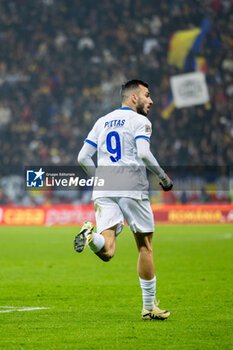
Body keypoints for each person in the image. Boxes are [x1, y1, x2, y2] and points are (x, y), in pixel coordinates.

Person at [74, 79, 173, 320]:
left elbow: (83, 158)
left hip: (105, 188)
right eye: (147, 95)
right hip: (132, 187)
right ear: (133, 98)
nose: (151, 100)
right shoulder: (140, 121)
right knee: (145, 246)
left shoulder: (102, 121)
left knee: (107, 250)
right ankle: (149, 308)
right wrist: (163, 177)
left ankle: (90, 235)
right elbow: (142, 153)